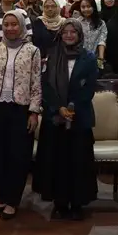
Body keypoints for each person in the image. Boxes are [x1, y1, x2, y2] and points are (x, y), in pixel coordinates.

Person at [0, 10, 42, 220]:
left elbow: (36, 83)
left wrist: (34, 111)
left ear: (22, 26)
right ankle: (2, 197)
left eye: (14, 24)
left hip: (20, 109)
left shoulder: (32, 51)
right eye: (6, 24)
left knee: (18, 155)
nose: (10, 28)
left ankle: (13, 200)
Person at [33, 20, 99, 220]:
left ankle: (77, 203)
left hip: (79, 117)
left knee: (78, 162)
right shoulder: (52, 56)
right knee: (57, 162)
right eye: (65, 32)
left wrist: (72, 108)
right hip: (55, 118)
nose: (69, 35)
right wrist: (58, 108)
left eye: (73, 32)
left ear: (79, 35)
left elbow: (89, 87)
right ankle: (59, 203)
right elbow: (45, 86)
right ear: (60, 35)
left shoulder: (88, 57)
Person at [75, 0, 107, 66]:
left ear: (93, 7)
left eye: (88, 6)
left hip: (96, 59)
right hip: (79, 59)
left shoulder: (101, 23)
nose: (86, 9)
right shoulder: (77, 23)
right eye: (83, 7)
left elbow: (102, 41)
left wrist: (100, 59)